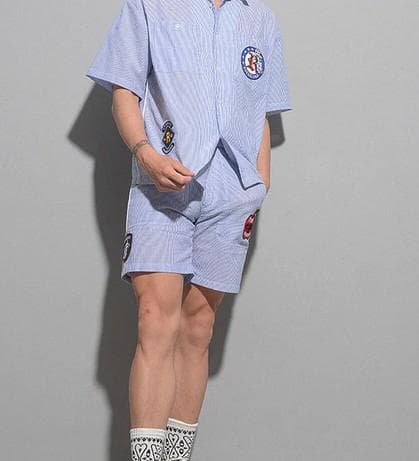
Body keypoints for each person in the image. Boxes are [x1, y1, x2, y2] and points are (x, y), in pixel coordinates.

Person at [85, 0, 291, 459]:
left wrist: (260, 183)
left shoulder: (259, 18)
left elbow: (261, 107)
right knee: (155, 320)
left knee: (198, 327)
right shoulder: (149, 5)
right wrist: (145, 153)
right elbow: (124, 90)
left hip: (232, 192)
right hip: (162, 186)